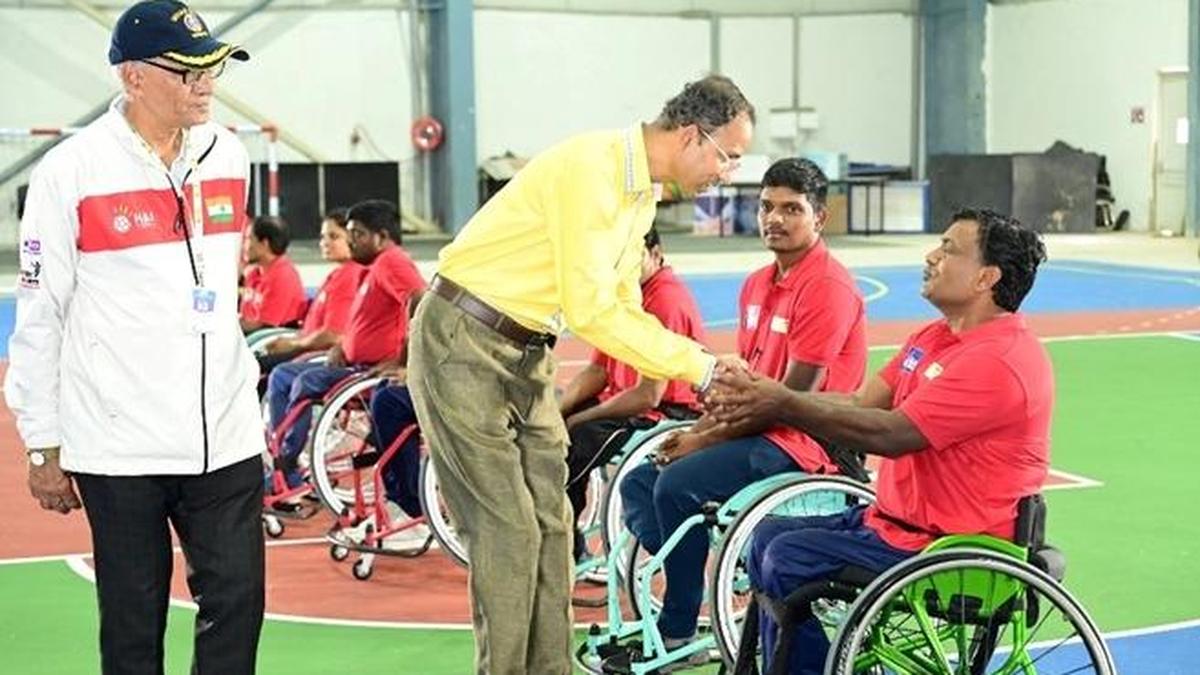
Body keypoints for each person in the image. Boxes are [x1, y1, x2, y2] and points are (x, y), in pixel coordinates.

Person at [407, 74, 755, 675]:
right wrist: (698, 366)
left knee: (551, 520)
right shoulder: (592, 170)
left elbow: (619, 307)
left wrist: (699, 365)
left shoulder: (639, 193)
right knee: (508, 531)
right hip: (463, 342)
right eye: (730, 157)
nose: (727, 173)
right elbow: (595, 313)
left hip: (526, 351)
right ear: (694, 136)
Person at [4, 2, 264, 673]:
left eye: (212, 66)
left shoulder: (229, 155)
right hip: (119, 447)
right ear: (132, 76)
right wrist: (42, 442)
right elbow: (41, 316)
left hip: (225, 433)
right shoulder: (71, 171)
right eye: (186, 70)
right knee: (131, 620)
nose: (205, 82)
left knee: (237, 603)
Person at [709, 209, 1053, 675]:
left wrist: (781, 404)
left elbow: (892, 435)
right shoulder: (933, 337)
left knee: (788, 558)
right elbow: (859, 404)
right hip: (894, 524)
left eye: (949, 249)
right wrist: (770, 397)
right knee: (766, 536)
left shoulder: (999, 361)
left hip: (949, 548)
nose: (931, 256)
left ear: (985, 278)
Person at [618, 157, 868, 663]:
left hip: (807, 440)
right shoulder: (757, 283)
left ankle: (680, 629)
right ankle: (704, 565)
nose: (774, 218)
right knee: (639, 482)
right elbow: (749, 386)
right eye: (766, 206)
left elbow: (789, 399)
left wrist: (703, 438)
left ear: (819, 217)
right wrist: (705, 423)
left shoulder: (827, 288)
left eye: (791, 209)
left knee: (677, 484)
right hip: (762, 426)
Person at [264, 200, 424, 519]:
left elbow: (420, 299)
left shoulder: (392, 262)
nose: (351, 241)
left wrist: (405, 361)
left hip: (370, 371)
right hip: (354, 364)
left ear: (380, 236)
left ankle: (287, 464)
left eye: (357, 234)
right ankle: (286, 461)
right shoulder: (374, 268)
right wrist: (345, 344)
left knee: (299, 379)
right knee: (285, 375)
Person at [557, 226, 707, 563]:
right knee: (552, 426)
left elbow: (648, 396)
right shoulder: (624, 297)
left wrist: (578, 418)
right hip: (629, 403)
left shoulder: (665, 300)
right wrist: (558, 411)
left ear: (656, 254)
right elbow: (597, 371)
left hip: (664, 413)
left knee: (568, 448)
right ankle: (561, 535)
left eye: (631, 254)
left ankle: (564, 547)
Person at [255, 209, 365, 392]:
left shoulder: (349, 277)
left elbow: (333, 335)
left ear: (353, 238)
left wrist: (294, 344)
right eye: (323, 237)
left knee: (260, 372)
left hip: (317, 354)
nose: (325, 243)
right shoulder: (337, 275)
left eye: (334, 237)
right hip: (305, 346)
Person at [240, 214, 307, 332]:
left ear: (264, 243)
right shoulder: (254, 273)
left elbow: (264, 325)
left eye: (248, 239)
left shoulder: (283, 276)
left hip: (270, 340)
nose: (244, 246)